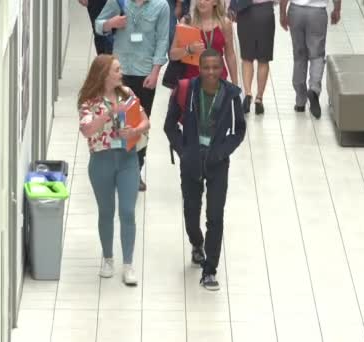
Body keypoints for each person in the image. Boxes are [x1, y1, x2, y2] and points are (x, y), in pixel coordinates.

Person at [164, 49, 246, 291]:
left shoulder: (231, 95)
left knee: (215, 215)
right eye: (206, 68)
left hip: (218, 163)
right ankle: (196, 243)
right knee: (191, 213)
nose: (211, 72)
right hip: (191, 160)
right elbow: (169, 125)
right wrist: (184, 151)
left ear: (222, 70)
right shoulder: (187, 90)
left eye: (216, 68)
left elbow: (239, 130)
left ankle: (210, 270)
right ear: (199, 69)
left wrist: (222, 151)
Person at [78, 55, 150, 286]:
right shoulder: (89, 101)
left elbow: (145, 120)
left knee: (128, 211)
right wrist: (110, 113)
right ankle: (108, 258)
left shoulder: (127, 93)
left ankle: (128, 264)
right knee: (106, 211)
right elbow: (87, 130)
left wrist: (135, 130)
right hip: (101, 161)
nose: (121, 73)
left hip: (128, 159)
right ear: (105, 74)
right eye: (117, 70)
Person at [96, 0, 170, 191]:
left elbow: (163, 39)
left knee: (139, 125)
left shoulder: (161, 6)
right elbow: (98, 25)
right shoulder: (119, 2)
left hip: (144, 73)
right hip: (119, 73)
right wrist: (110, 24)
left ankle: (135, 170)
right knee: (115, 122)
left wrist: (155, 72)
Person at [279, 0, 341, 118]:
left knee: (299, 56)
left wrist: (282, 12)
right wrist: (337, 9)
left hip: (296, 11)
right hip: (317, 12)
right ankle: (314, 90)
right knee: (317, 55)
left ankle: (300, 101)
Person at [168, 0, 239, 85]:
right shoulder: (187, 22)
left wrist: (235, 85)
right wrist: (188, 49)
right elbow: (172, 55)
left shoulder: (224, 23)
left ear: (215, 2)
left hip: (218, 81)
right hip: (192, 82)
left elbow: (230, 55)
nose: (201, 2)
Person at [228, 0, 275, 115]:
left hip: (245, 10)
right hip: (265, 11)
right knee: (263, 59)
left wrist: (231, 8)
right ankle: (259, 98)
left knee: (247, 58)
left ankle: (248, 93)